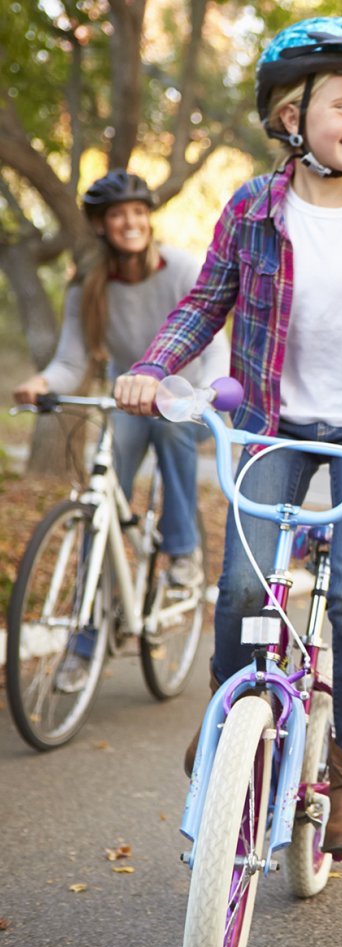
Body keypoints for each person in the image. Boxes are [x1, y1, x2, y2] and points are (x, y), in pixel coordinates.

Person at [114, 16, 342, 858]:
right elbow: (205, 303)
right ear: (290, 117)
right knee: (243, 589)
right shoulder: (251, 205)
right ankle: (229, 723)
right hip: (270, 422)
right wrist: (153, 369)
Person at [12, 170, 230, 690]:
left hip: (191, 398)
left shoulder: (180, 268)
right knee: (96, 506)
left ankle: (182, 555)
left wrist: (210, 390)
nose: (130, 222)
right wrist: (42, 381)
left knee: (172, 428)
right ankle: (83, 647)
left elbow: (213, 337)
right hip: (128, 403)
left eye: (137, 211)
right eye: (117, 215)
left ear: (147, 217)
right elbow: (71, 361)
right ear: (101, 226)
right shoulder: (87, 286)